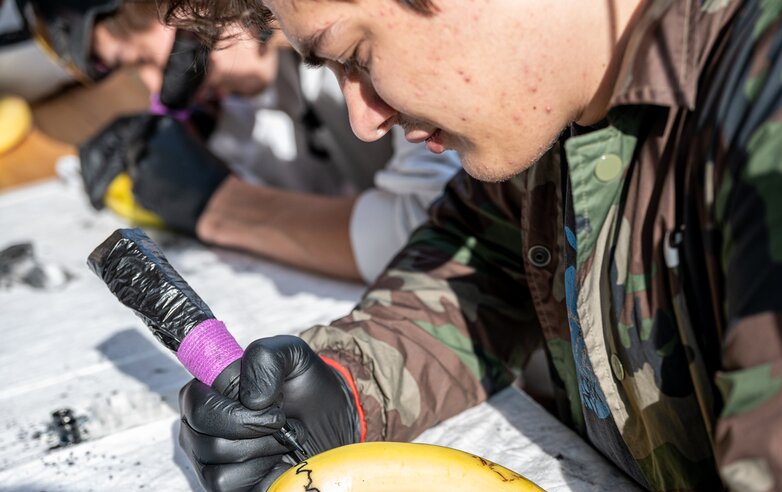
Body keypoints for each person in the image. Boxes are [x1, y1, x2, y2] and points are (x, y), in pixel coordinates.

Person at [148, 0, 782, 492]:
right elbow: (482, 266)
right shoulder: (558, 103)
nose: (364, 120)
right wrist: (342, 387)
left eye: (356, 55)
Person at [27, 0, 462, 282]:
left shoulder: (386, 38)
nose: (154, 86)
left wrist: (216, 206)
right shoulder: (248, 98)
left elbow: (431, 237)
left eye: (143, 58)